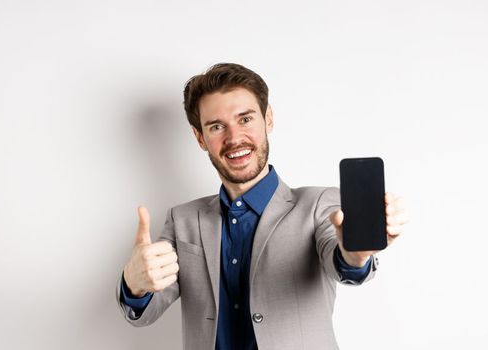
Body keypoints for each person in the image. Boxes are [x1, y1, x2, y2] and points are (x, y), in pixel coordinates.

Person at [117, 63, 409, 349]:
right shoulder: (182, 220)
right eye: (217, 126)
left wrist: (355, 256)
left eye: (245, 119)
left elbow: (340, 258)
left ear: (268, 119)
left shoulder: (318, 205)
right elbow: (146, 309)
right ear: (200, 138)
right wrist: (134, 283)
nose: (234, 139)